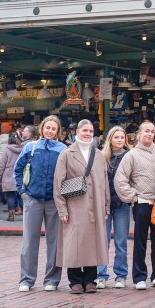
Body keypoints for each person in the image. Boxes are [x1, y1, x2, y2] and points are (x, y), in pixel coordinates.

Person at [54, 119, 109, 295]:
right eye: (84, 130)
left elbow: (105, 182)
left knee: (93, 241)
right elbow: (58, 182)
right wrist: (62, 208)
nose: (87, 134)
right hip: (75, 205)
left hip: (96, 204)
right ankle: (75, 280)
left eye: (90, 131)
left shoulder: (99, 155)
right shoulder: (67, 154)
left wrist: (106, 206)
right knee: (75, 242)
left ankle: (90, 279)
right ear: (76, 132)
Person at [14, 115, 66, 292]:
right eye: (47, 127)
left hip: (54, 201)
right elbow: (18, 169)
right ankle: (26, 279)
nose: (50, 131)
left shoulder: (63, 150)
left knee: (55, 242)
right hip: (33, 198)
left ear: (58, 131)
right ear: (42, 128)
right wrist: (22, 192)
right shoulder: (31, 146)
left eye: (53, 128)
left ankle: (52, 279)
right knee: (29, 241)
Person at [114, 121, 155, 290]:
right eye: (146, 131)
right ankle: (139, 277)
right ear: (139, 134)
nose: (149, 134)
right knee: (140, 240)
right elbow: (120, 180)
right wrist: (133, 197)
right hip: (142, 202)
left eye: (152, 131)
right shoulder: (131, 155)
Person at [97, 126, 129, 289]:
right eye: (116, 137)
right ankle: (101, 275)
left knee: (121, 241)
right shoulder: (102, 157)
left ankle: (121, 275)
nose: (119, 140)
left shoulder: (129, 156)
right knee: (102, 240)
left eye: (122, 137)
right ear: (110, 139)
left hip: (122, 204)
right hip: (104, 204)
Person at [0, 132, 23, 222]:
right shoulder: (23, 149)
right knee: (21, 196)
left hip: (8, 175)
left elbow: (1, 165)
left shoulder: (7, 150)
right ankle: (27, 214)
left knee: (10, 196)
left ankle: (11, 215)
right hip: (20, 175)